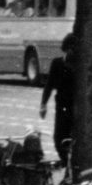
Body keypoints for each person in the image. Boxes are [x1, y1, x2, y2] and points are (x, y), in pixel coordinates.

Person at [38, 35, 77, 166]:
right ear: (65, 49)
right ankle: (66, 161)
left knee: (74, 138)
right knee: (58, 137)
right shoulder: (57, 63)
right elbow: (49, 85)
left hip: (77, 107)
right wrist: (43, 105)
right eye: (69, 48)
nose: (71, 51)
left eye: (74, 49)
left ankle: (70, 165)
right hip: (61, 106)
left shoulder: (80, 66)